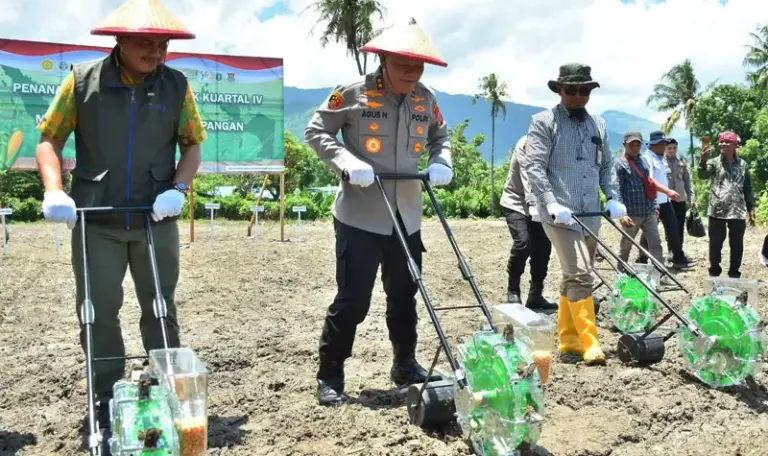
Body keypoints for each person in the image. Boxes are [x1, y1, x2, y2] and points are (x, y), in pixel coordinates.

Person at [34, 0, 205, 428]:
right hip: (97, 220)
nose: (156, 53)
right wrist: (54, 190)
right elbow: (49, 140)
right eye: (145, 44)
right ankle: (105, 396)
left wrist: (179, 189)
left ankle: (168, 392)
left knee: (161, 306)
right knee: (97, 309)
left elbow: (192, 144)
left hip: (155, 219)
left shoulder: (176, 86)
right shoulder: (80, 83)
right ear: (120, 42)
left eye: (162, 45)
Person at [304, 17, 453, 405]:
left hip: (407, 214)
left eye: (418, 66)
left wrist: (443, 161)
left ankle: (405, 363)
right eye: (403, 64)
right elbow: (317, 131)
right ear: (383, 59)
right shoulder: (353, 92)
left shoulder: (426, 98)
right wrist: (345, 161)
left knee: (405, 294)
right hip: (361, 215)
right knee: (354, 300)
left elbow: (442, 136)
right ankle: (331, 374)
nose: (411, 73)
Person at [522, 63, 627, 366]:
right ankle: (589, 342)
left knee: (573, 274)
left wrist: (614, 196)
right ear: (560, 90)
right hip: (558, 214)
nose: (579, 96)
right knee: (582, 273)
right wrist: (551, 202)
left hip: (590, 212)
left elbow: (605, 165)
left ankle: (567, 339)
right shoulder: (543, 122)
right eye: (572, 90)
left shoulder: (599, 124)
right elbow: (534, 166)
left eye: (585, 90)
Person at [499, 135, 557, 313]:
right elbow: (530, 180)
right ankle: (513, 291)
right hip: (516, 201)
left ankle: (535, 295)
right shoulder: (528, 143)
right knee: (523, 244)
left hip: (543, 203)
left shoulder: (558, 144)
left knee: (543, 248)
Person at [698, 131, 755, 278]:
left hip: (737, 210)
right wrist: (703, 161)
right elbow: (702, 175)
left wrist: (751, 208)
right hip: (717, 210)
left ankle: (734, 272)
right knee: (715, 244)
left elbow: (747, 188)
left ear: (735, 146)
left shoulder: (743, 165)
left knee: (737, 244)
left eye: (727, 142)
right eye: (721, 141)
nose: (723, 144)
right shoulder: (714, 163)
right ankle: (714, 271)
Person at [636, 131, 694, 270]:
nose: (665, 148)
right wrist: (667, 191)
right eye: (663, 145)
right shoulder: (647, 159)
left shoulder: (659, 158)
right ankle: (642, 259)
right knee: (648, 232)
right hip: (653, 201)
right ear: (656, 145)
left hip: (665, 201)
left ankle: (678, 257)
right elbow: (649, 181)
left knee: (673, 228)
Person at [614, 132, 664, 266]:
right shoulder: (619, 164)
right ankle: (621, 273)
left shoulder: (644, 161)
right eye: (632, 144)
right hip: (631, 214)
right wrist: (622, 214)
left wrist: (655, 206)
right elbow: (617, 189)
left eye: (638, 144)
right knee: (626, 246)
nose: (635, 147)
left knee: (656, 244)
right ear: (625, 145)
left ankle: (660, 273)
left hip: (648, 211)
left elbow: (650, 185)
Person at [664, 138, 696, 253]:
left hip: (680, 201)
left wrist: (692, 198)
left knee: (679, 226)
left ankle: (679, 250)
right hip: (666, 201)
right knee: (669, 227)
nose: (672, 150)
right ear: (665, 149)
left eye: (674, 148)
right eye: (669, 148)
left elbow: (687, 182)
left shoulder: (682, 163)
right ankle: (671, 251)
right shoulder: (661, 163)